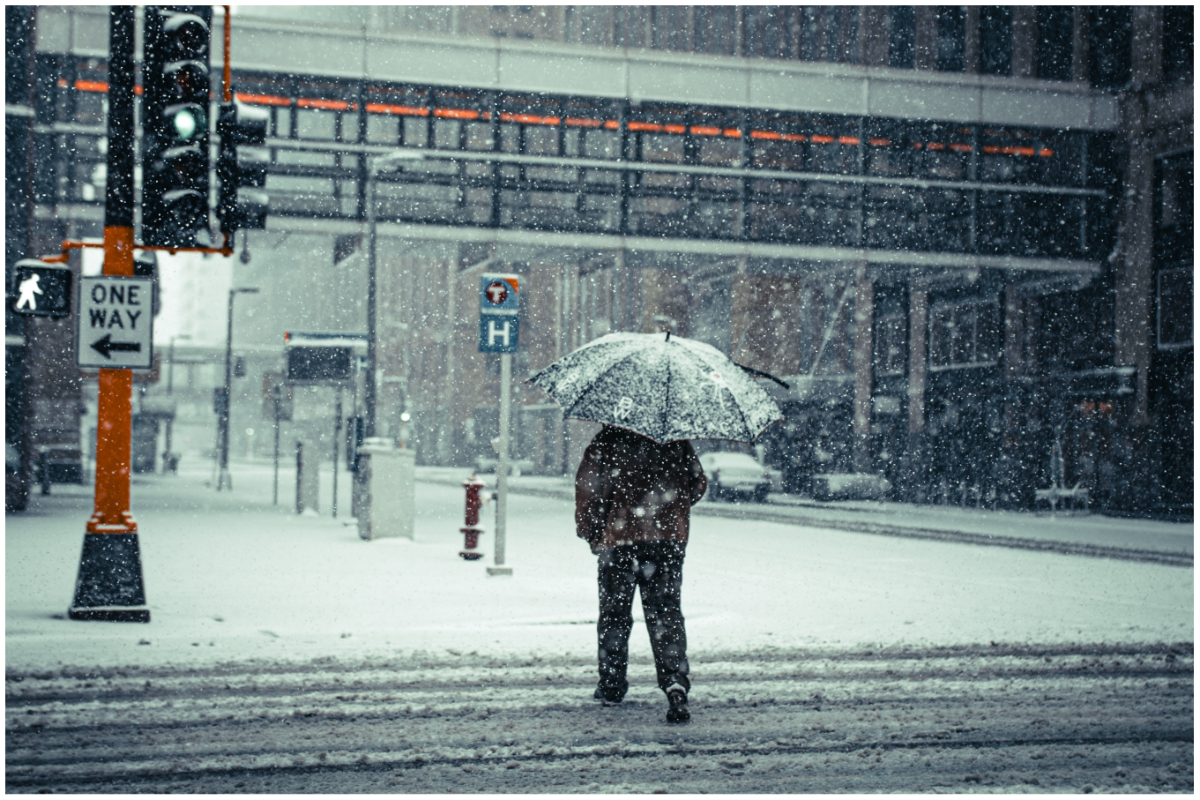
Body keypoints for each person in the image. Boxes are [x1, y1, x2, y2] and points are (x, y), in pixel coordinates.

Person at [575, 424, 707, 724]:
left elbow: (588, 492)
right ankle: (674, 681)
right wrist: (668, 511)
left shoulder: (607, 440)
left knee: (614, 614)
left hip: (619, 540)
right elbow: (697, 484)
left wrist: (594, 532)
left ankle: (611, 684)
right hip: (667, 540)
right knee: (666, 612)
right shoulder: (676, 441)